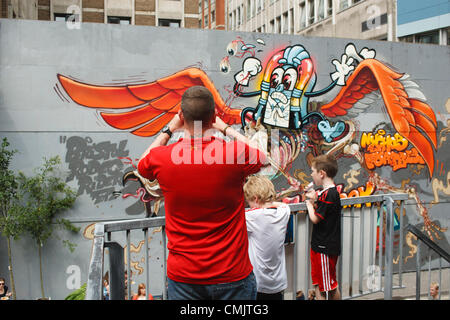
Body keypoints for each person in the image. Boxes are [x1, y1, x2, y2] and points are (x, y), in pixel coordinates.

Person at [137, 85, 268, 300]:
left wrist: (170, 129)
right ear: (214, 115)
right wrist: (226, 128)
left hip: (184, 278)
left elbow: (142, 165)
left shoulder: (162, 158)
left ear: (181, 116)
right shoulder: (233, 154)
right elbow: (263, 155)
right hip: (232, 275)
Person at [243, 175, 290, 300]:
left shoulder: (252, 216)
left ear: (256, 198)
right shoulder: (283, 212)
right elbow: (283, 205)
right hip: (278, 282)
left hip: (258, 283)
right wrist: (267, 200)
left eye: (249, 201)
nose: (249, 205)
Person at [305, 154, 342, 300]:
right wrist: (315, 200)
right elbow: (322, 212)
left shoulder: (329, 195)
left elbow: (315, 218)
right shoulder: (328, 194)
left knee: (330, 288)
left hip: (324, 247)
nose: (311, 174)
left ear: (322, 173)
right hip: (320, 246)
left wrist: (309, 205)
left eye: (313, 171)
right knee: (321, 285)